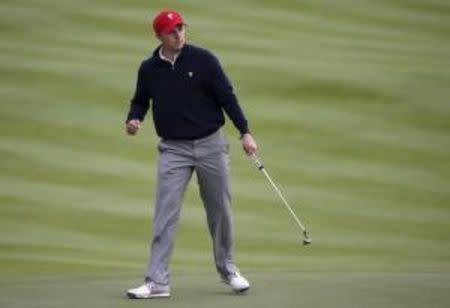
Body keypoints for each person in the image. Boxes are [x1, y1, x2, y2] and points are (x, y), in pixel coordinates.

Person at [125, 10, 258, 299]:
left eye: (181, 28)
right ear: (159, 36)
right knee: (165, 214)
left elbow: (227, 96)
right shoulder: (148, 69)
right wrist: (134, 119)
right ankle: (157, 281)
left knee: (219, 210)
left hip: (211, 144)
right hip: (173, 149)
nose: (179, 34)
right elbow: (139, 101)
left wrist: (245, 131)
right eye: (172, 31)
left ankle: (229, 270)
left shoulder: (204, 60)